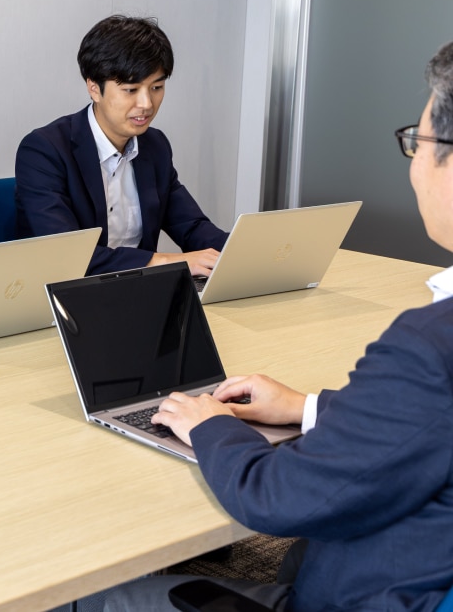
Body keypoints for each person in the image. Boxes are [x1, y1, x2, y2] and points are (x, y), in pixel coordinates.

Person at [102, 41, 453, 611]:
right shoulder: (48, 147)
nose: (413, 160)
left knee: (95, 596)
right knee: (291, 557)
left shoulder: (429, 346)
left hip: (374, 593)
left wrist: (211, 423)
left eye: (419, 140)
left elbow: (276, 499)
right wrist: (306, 407)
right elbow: (425, 420)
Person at [15, 15, 228, 276]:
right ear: (94, 88)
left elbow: (192, 227)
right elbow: (68, 257)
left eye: (157, 87)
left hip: (141, 294)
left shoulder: (155, 146)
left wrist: (242, 253)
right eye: (131, 90)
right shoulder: (45, 151)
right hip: (68, 299)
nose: (147, 103)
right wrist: (168, 261)